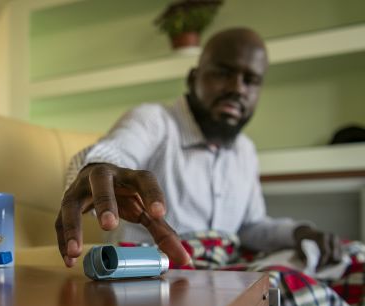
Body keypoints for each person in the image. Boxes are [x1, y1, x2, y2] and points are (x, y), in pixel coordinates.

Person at [55, 27, 342, 269]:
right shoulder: (154, 120)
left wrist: (299, 232)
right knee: (287, 285)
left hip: (227, 267)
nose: (238, 88)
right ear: (194, 78)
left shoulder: (245, 150)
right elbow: (113, 153)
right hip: (160, 269)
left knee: (351, 257)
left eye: (250, 80)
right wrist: (95, 169)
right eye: (223, 73)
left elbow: (250, 228)